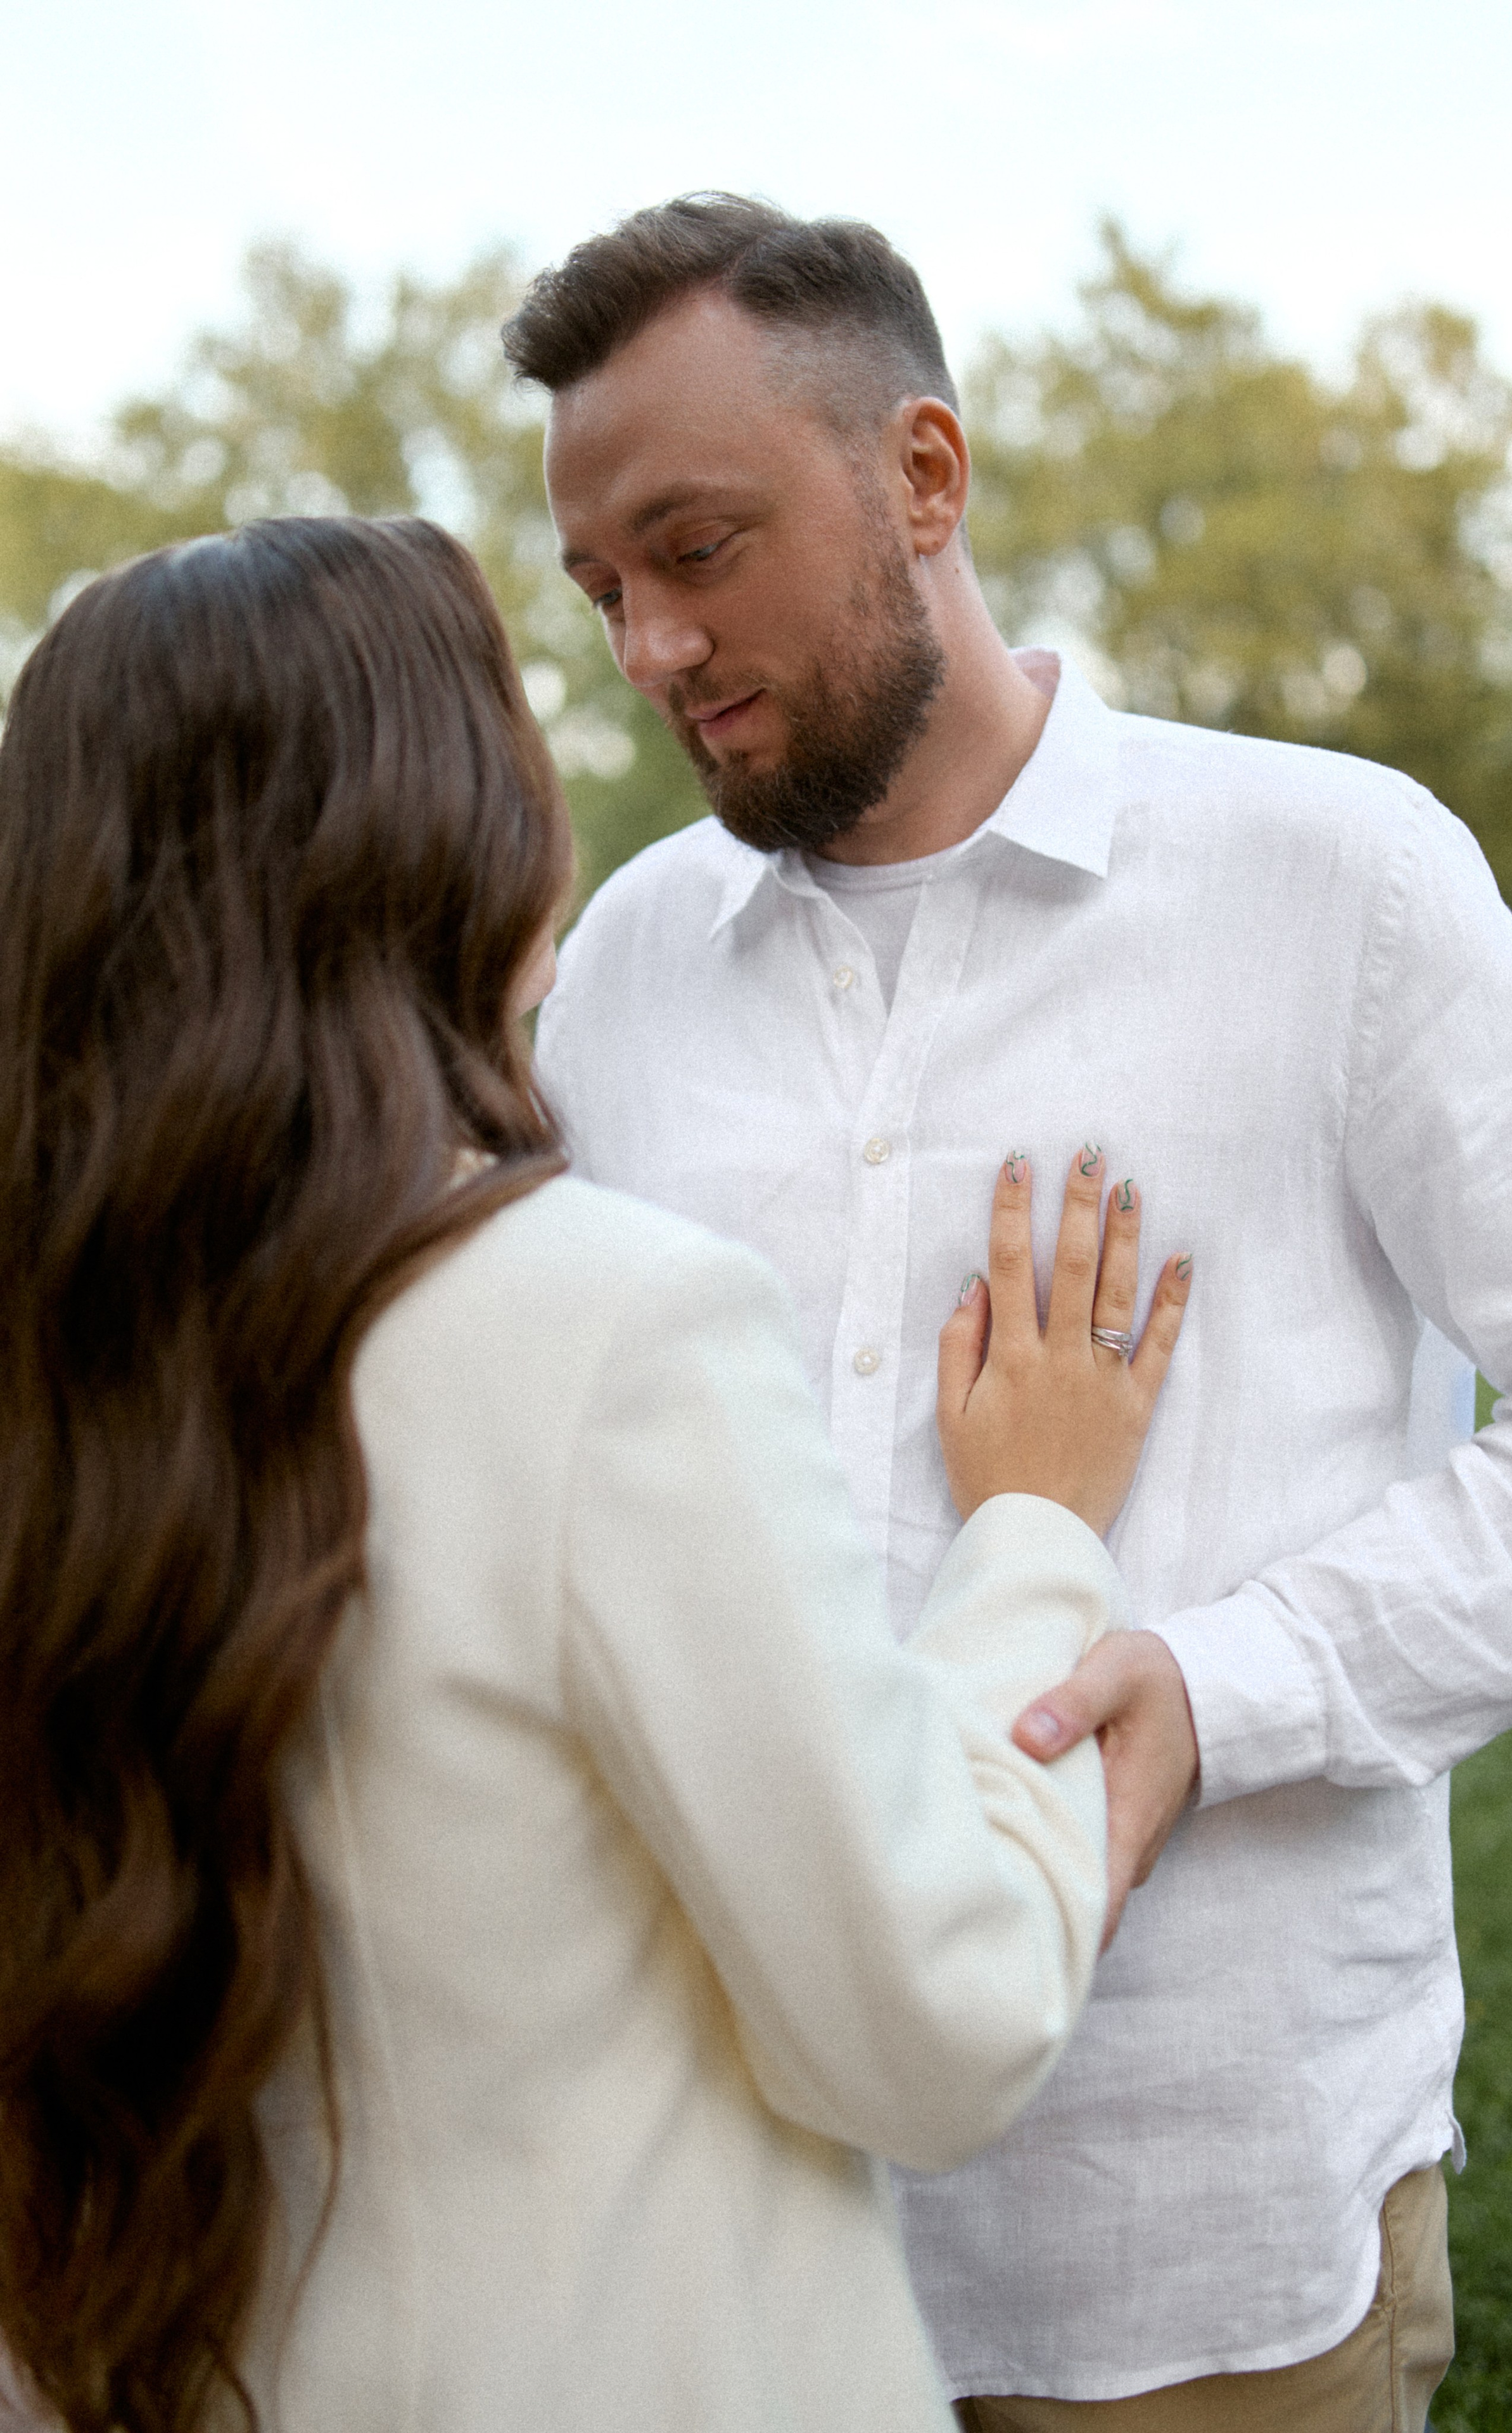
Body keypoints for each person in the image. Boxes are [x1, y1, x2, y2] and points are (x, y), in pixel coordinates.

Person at [510, 193, 1512, 2430]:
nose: (644, 645)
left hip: (1188, 2238)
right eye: (601, 587)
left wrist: (1221, 1690)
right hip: (739, 2250)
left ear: (924, 477)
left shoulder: (1342, 881)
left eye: (698, 548)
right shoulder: (617, 968)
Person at [0, 513, 1196, 2433]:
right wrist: (1038, 1538)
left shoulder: (56, 1371)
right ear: (453, 827)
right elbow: (932, 2018)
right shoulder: (601, 1332)